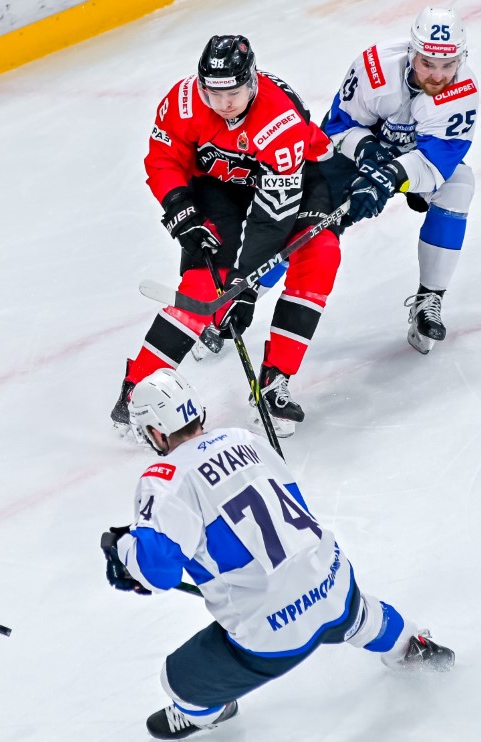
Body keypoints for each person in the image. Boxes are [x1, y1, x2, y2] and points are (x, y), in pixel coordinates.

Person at [100, 369, 454, 740]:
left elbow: (158, 573)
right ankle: (412, 647)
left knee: (176, 682)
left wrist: (124, 549)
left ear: (157, 431)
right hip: (333, 581)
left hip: (270, 635)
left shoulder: (164, 479)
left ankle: (211, 711)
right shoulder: (244, 438)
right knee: (356, 613)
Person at [110, 34, 348, 439]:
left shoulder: (280, 120)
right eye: (213, 94)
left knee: (320, 253)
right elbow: (164, 157)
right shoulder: (185, 101)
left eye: (233, 93)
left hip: (301, 177)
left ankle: (275, 379)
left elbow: (272, 218)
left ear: (252, 80)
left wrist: (246, 287)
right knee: (205, 284)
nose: (223, 104)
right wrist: (180, 207)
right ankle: (138, 386)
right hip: (223, 182)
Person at [324, 7, 479, 354]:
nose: (438, 76)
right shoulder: (374, 67)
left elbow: (435, 163)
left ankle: (429, 299)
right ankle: (245, 295)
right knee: (311, 216)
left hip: (411, 160)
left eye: (448, 65)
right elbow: (336, 127)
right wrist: (367, 155)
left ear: (461, 59)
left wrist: (390, 176)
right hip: (355, 152)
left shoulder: (464, 92)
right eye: (428, 63)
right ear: (412, 52)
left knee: (459, 185)